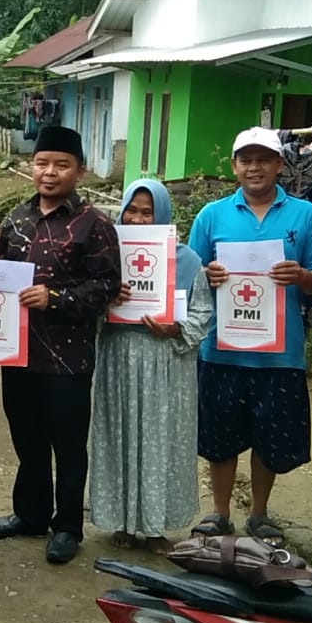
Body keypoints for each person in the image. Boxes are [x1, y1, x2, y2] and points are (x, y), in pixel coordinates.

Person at [0, 126, 122, 565]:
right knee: (27, 439)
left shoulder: (94, 224)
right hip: (18, 352)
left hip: (68, 357)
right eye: (42, 163)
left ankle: (67, 527)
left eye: (61, 164)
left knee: (68, 444)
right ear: (31, 166)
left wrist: (57, 298)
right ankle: (31, 514)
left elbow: (107, 287)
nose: (50, 172)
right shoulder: (17, 218)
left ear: (79, 170)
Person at [187, 126, 312, 549]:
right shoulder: (211, 216)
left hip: (279, 351)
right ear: (234, 167)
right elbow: (191, 276)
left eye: (263, 159)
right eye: (246, 160)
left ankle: (259, 514)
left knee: (270, 435)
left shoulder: (305, 215)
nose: (255, 167)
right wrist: (207, 275)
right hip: (221, 347)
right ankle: (219, 512)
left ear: (279, 165)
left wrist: (302, 276)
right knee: (220, 436)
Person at [89, 179, 213, 555]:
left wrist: (177, 328)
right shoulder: (105, 257)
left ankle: (157, 527)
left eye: (148, 212)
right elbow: (87, 309)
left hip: (167, 363)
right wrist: (106, 301)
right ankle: (122, 521)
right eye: (133, 211)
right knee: (119, 433)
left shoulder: (189, 261)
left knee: (163, 440)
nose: (139, 220)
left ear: (163, 215)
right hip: (119, 359)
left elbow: (203, 314)